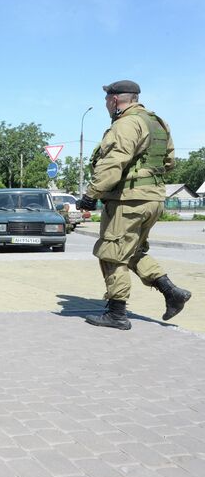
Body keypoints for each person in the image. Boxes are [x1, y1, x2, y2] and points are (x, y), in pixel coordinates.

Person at [76, 80, 191, 330]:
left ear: (115, 100)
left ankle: (117, 314)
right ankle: (172, 292)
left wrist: (91, 194)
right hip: (154, 199)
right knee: (133, 252)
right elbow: (169, 161)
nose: (106, 104)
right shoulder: (158, 123)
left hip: (128, 201)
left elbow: (113, 162)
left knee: (112, 254)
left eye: (107, 100)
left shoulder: (126, 124)